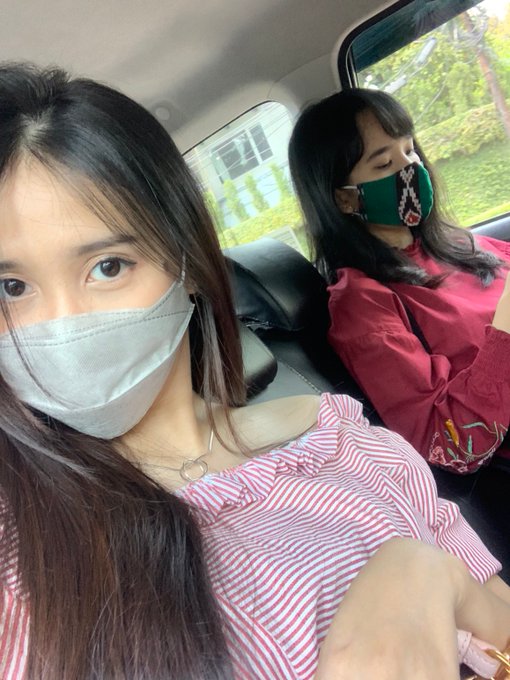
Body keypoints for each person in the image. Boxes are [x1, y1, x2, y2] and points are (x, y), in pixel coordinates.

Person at [1, 63, 510, 680]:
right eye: (10, 286)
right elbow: (452, 443)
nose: (62, 325)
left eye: (107, 266)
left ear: (188, 263)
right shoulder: (24, 557)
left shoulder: (347, 442)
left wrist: (437, 577)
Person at [288, 88, 510, 475]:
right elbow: (448, 443)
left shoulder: (455, 243)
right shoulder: (362, 304)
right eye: (384, 163)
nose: (411, 168)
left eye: (409, 150)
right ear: (344, 199)